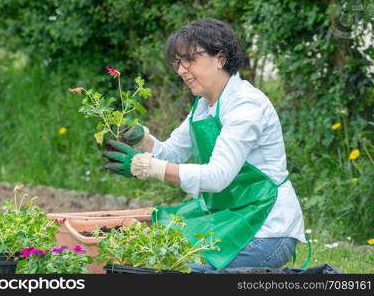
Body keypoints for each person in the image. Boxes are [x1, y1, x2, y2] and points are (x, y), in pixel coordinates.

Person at [102, 18, 307, 272]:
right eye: (178, 62)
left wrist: (149, 167)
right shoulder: (203, 105)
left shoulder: (246, 105)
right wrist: (145, 141)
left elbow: (217, 177)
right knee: (157, 251)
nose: (181, 70)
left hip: (266, 229)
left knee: (178, 270)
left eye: (189, 60)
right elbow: (173, 152)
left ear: (220, 57)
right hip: (231, 216)